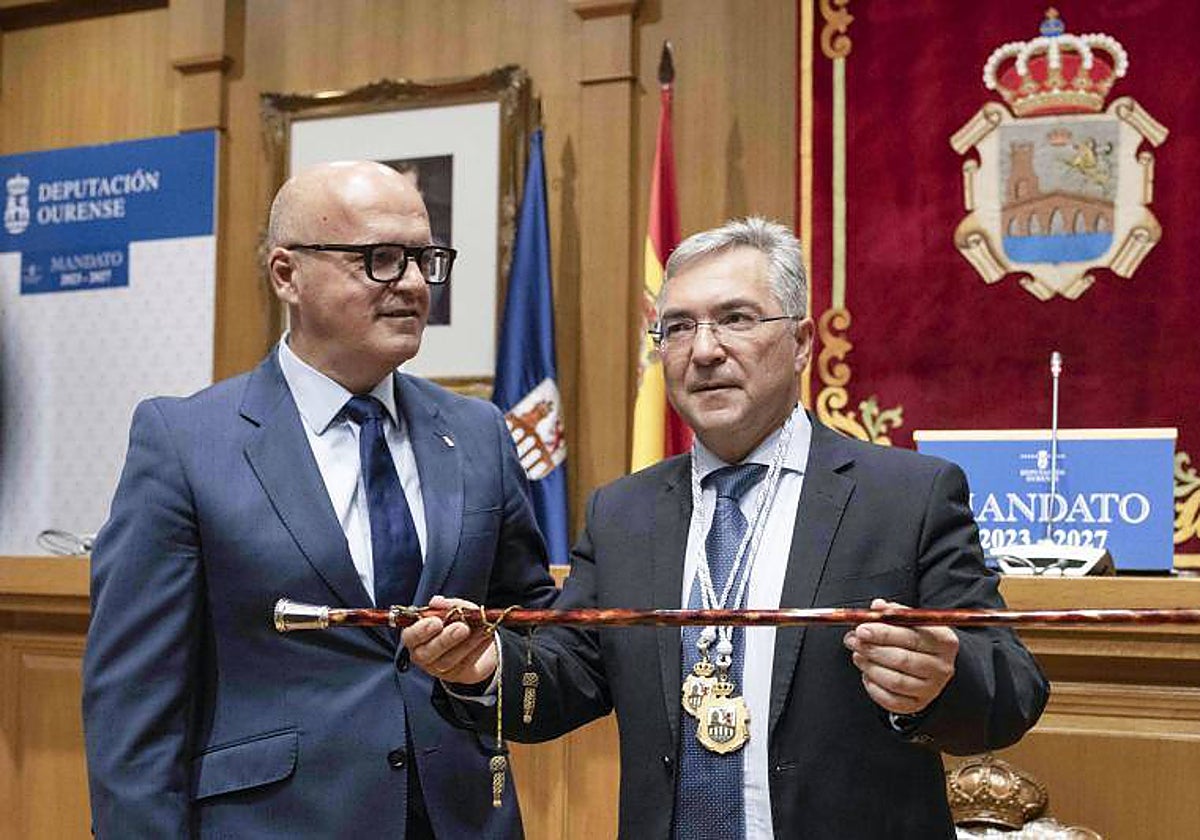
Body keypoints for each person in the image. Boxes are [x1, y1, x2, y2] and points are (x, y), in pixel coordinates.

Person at [405, 217, 1050, 839]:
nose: (705, 350)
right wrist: (484, 664)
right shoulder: (623, 513)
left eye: (736, 319)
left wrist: (940, 683)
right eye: (678, 327)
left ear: (801, 344)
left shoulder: (908, 497)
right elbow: (567, 679)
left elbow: (1013, 692)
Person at [82, 160, 558, 838]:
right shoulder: (184, 443)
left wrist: (485, 671)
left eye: (426, 260)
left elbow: (536, 632)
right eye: (382, 260)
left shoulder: (478, 433)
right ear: (287, 275)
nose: (416, 285)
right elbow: (132, 710)